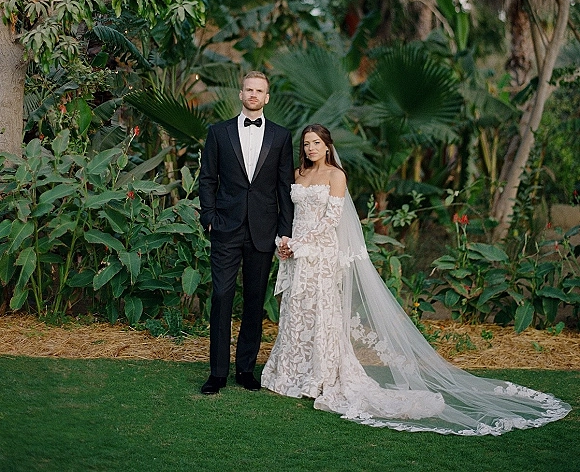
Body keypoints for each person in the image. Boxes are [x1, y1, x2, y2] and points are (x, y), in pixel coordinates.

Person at [262, 124, 572, 434]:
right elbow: (292, 214)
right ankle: (290, 375)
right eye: (306, 144)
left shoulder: (335, 176)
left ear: (328, 146)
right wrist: (286, 243)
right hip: (296, 253)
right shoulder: (298, 175)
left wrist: (303, 245)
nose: (311, 148)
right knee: (296, 312)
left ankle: (321, 377)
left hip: (321, 254)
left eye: (316, 143)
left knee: (322, 314)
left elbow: (331, 222)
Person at [198, 71, 294, 395]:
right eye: (249, 89)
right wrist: (208, 217)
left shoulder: (281, 137)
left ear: (267, 98)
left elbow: (284, 187)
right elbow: (208, 178)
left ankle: (245, 369)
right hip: (225, 226)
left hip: (263, 230)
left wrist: (284, 230)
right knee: (222, 296)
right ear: (241, 94)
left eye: (260, 91)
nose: (253, 94)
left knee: (254, 301)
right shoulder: (218, 133)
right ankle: (217, 373)